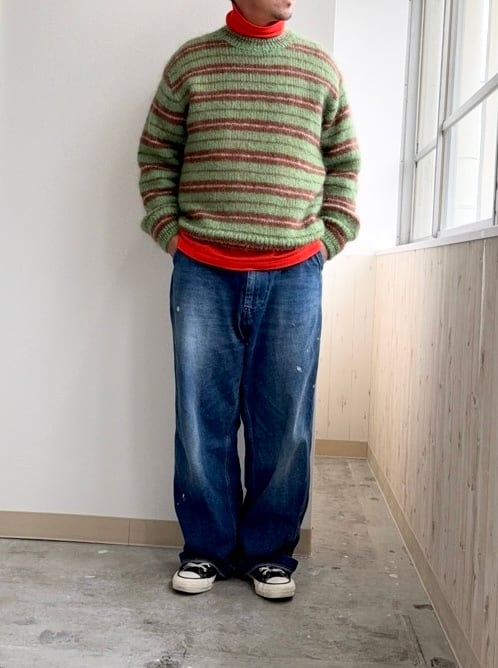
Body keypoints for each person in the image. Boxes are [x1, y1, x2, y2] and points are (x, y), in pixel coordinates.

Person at [137, 0, 360, 600]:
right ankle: (206, 550)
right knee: (201, 416)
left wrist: (329, 238)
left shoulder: (318, 67)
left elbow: (344, 163)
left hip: (294, 274)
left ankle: (269, 553)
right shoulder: (192, 63)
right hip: (203, 272)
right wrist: (169, 230)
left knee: (283, 422)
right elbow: (156, 155)